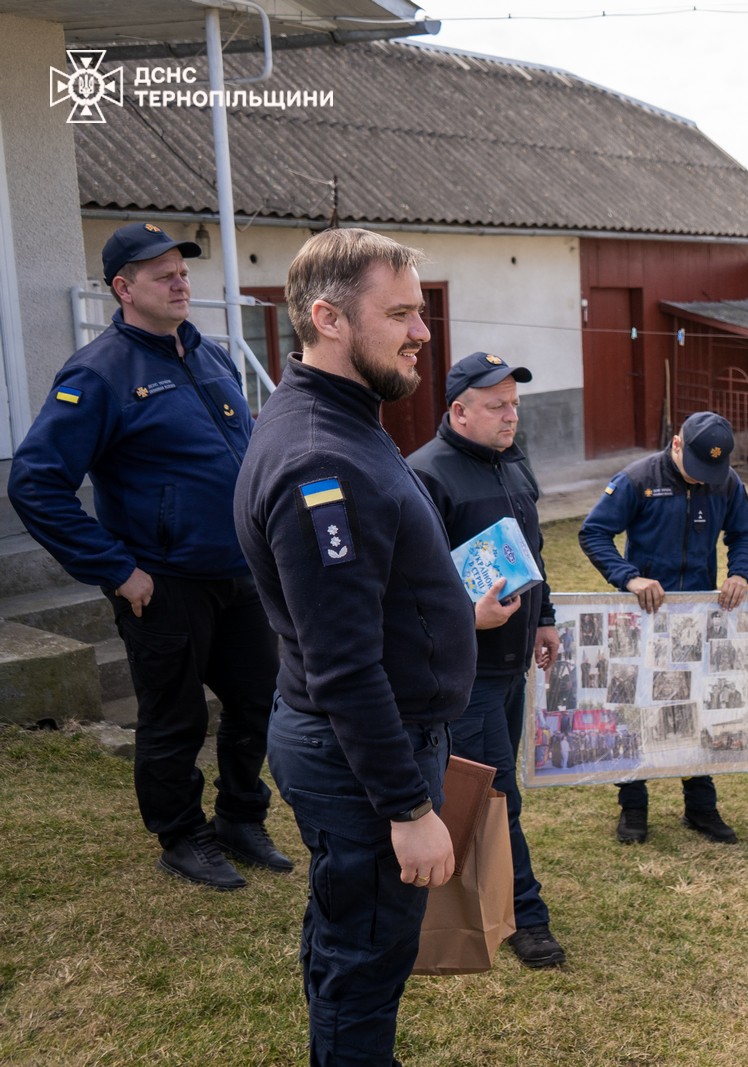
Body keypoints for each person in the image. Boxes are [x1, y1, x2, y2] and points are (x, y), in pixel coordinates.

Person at [234, 228, 481, 1066]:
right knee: (367, 961)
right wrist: (409, 810)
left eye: (421, 311)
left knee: (349, 934)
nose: (423, 333)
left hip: (358, 744)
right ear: (328, 318)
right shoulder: (319, 460)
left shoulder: (339, 418)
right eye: (403, 313)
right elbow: (342, 662)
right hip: (365, 759)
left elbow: (364, 602)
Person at [7, 221, 286, 890]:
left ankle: (241, 817)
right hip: (161, 583)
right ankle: (183, 835)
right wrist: (115, 569)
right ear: (124, 289)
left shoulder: (212, 354)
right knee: (176, 714)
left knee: (261, 697)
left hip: (238, 569)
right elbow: (35, 481)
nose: (180, 280)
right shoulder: (98, 372)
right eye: (162, 273)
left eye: (182, 269)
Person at [407, 350, 566, 969]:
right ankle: (528, 918)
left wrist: (543, 616)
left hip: (510, 666)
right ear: (459, 410)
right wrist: (464, 619)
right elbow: (411, 585)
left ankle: (482, 894)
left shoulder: (513, 464)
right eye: (497, 406)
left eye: (515, 405)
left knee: (495, 790)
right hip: (462, 671)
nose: (510, 417)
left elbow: (534, 552)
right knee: (497, 792)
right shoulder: (426, 474)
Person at [578, 411, 748, 845]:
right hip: (644, 617)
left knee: (695, 708)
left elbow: (744, 533)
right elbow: (593, 533)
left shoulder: (726, 482)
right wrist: (629, 577)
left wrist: (740, 573)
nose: (702, 480)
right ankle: (633, 808)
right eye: (696, 470)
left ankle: (701, 806)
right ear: (677, 444)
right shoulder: (637, 479)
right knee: (636, 708)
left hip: (696, 618)